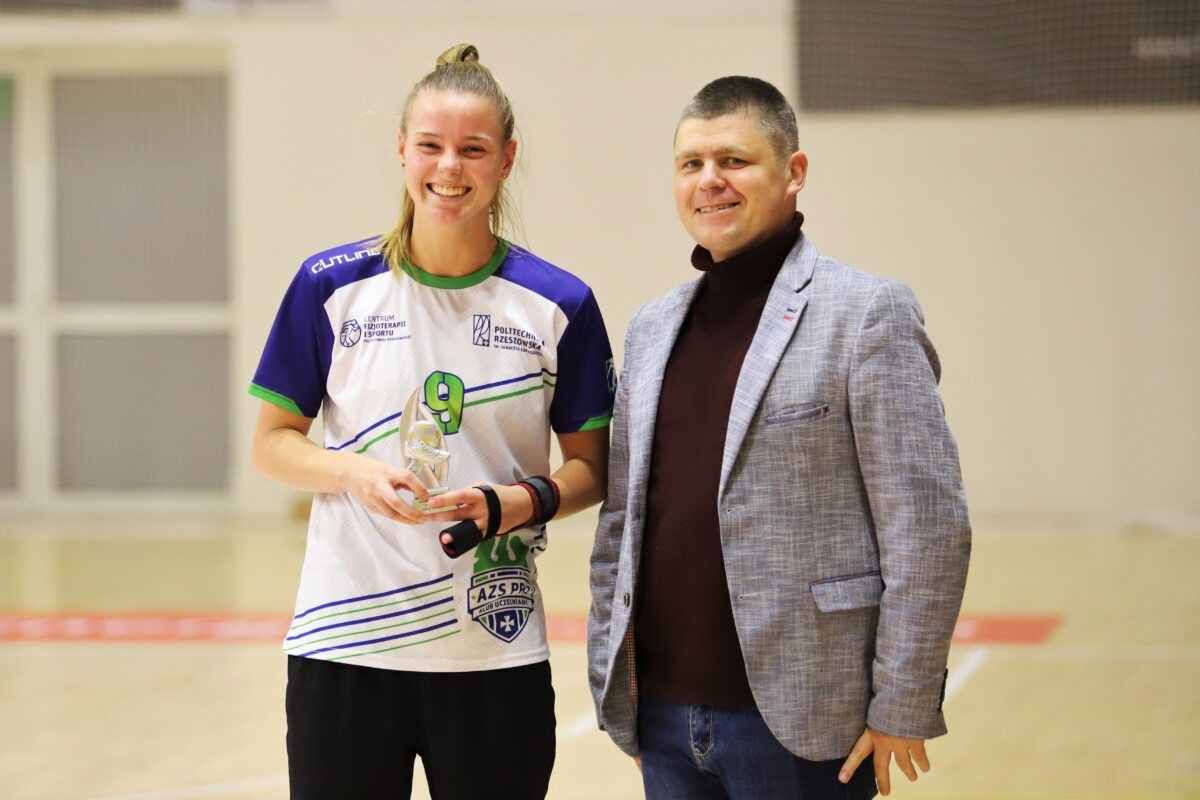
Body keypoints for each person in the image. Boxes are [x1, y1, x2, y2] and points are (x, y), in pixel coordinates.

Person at [587, 75, 971, 799]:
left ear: (793, 172)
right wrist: (617, 694)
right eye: (691, 163)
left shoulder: (866, 313)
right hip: (663, 719)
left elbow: (928, 526)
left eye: (734, 160)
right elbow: (621, 523)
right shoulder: (651, 327)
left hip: (805, 719)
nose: (709, 180)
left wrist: (903, 701)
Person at [250, 44, 614, 800]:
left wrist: (516, 503)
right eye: (430, 145)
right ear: (401, 150)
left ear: (507, 158)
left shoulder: (560, 304)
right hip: (343, 646)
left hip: (493, 650)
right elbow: (273, 446)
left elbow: (592, 470)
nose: (450, 167)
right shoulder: (329, 287)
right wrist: (355, 473)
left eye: (473, 148)